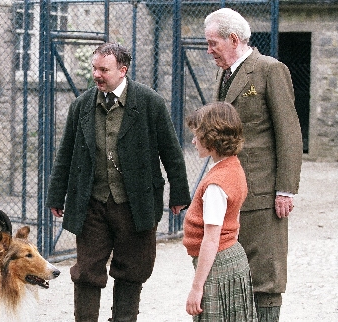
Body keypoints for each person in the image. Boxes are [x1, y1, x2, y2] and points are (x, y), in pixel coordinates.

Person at [45, 42, 191, 321]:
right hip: (92, 203)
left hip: (135, 204)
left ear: (122, 70)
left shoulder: (150, 103)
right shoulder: (81, 106)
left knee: (132, 269)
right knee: (87, 270)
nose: (96, 75)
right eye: (94, 68)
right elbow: (66, 153)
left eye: (104, 69)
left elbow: (171, 152)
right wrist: (56, 196)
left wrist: (179, 194)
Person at [204, 8, 303, 321]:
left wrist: (285, 189)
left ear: (234, 39)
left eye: (213, 43)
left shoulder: (269, 70)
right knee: (233, 272)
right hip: (232, 188)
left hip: (262, 193)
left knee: (265, 277)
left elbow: (289, 132)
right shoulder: (227, 73)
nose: (209, 51)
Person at [183, 102, 257, 321]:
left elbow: (211, 240)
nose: (194, 141)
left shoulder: (217, 183)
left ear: (212, 138)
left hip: (218, 265)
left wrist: (196, 288)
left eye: (197, 135)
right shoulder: (233, 166)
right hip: (232, 258)